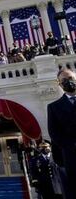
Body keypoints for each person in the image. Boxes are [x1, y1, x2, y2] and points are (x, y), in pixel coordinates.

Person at [47, 68, 76, 198]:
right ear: (59, 84)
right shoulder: (54, 107)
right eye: (64, 80)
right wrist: (72, 145)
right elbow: (54, 133)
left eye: (70, 78)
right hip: (72, 158)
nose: (68, 82)